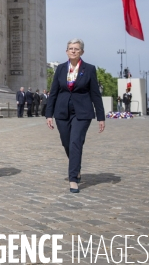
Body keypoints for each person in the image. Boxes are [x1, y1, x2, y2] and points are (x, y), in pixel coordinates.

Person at [46, 38, 105, 194]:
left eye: (76, 49)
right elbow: (53, 93)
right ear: (66, 51)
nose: (73, 51)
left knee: (75, 142)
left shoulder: (90, 69)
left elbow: (95, 94)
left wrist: (101, 117)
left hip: (82, 112)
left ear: (82, 52)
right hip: (62, 111)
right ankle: (76, 167)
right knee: (67, 143)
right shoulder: (59, 69)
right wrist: (48, 114)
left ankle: (73, 179)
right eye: (70, 48)